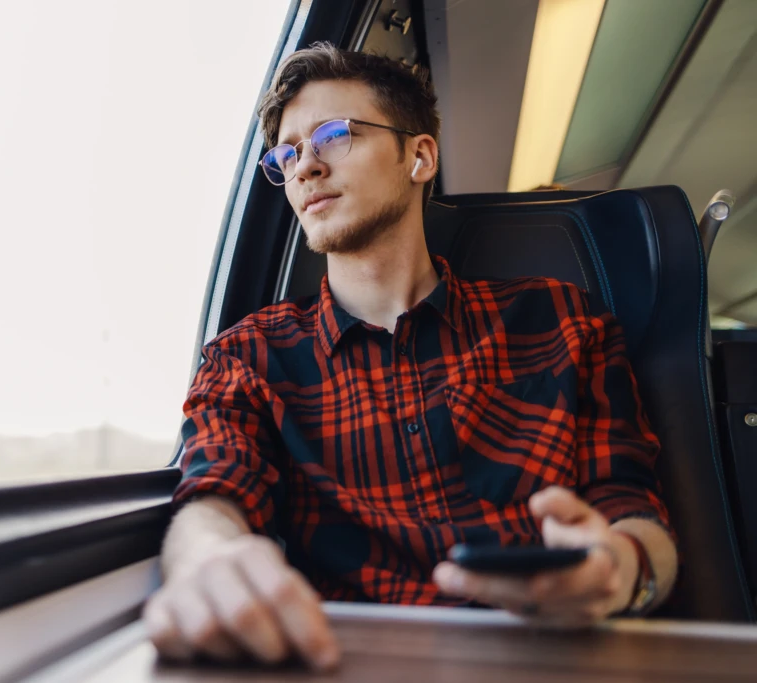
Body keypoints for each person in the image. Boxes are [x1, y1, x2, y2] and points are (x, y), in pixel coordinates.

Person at [144, 43, 678, 672]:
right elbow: (214, 498)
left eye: (333, 135)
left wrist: (620, 572)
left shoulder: (563, 322)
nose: (304, 168)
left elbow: (636, 513)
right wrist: (209, 561)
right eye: (286, 154)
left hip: (556, 658)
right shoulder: (249, 357)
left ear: (419, 156)